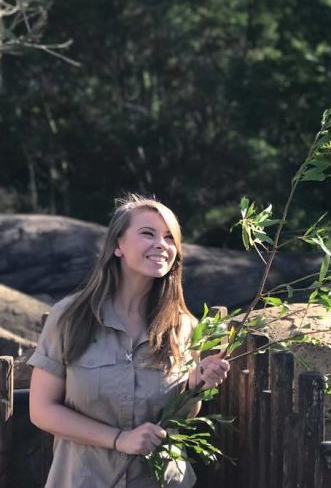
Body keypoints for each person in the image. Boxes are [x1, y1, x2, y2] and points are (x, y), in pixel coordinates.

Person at [28, 195, 230, 487]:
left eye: (169, 238)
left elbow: (180, 417)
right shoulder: (70, 317)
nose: (162, 244)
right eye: (148, 233)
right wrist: (119, 439)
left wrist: (195, 387)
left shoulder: (184, 327)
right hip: (84, 479)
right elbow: (42, 410)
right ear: (117, 246)